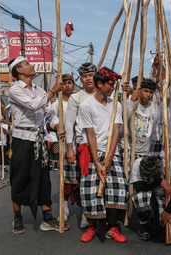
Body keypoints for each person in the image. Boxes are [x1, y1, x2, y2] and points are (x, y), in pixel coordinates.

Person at [8, 56, 68, 234]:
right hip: (22, 140)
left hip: (40, 140)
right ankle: (17, 217)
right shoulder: (15, 90)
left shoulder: (40, 90)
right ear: (19, 70)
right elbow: (33, 106)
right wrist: (51, 92)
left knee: (44, 179)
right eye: (27, 64)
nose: (31, 66)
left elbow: (49, 113)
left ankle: (47, 218)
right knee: (19, 179)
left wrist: (57, 125)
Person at [77, 67, 128, 243]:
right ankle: (92, 227)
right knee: (90, 192)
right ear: (100, 84)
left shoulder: (117, 105)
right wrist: (98, 162)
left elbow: (115, 132)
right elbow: (90, 134)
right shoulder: (86, 105)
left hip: (111, 153)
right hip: (93, 154)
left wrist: (108, 157)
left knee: (118, 189)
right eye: (110, 85)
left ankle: (113, 228)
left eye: (114, 85)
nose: (113, 88)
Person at [130, 155, 171, 242]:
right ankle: (144, 225)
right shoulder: (138, 163)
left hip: (166, 197)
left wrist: (167, 211)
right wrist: (159, 181)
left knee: (169, 231)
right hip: (149, 196)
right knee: (141, 197)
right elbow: (138, 186)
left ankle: (157, 222)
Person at [65, 63, 97, 228]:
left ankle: (104, 214)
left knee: (102, 180)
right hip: (83, 146)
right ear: (81, 79)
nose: (88, 78)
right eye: (85, 76)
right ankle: (87, 213)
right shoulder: (75, 98)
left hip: (103, 145)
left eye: (91, 75)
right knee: (85, 182)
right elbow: (69, 124)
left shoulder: (103, 94)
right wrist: (69, 147)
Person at [51, 73, 76, 221]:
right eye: (64, 82)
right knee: (64, 179)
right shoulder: (57, 104)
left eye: (70, 82)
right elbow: (49, 124)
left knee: (81, 178)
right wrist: (59, 129)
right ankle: (64, 210)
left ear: (73, 85)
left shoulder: (79, 101)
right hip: (64, 145)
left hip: (80, 144)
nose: (67, 85)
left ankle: (86, 212)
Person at [127, 78, 163, 158]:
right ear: (139, 90)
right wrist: (132, 100)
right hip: (128, 148)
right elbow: (125, 118)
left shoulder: (152, 105)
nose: (148, 95)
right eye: (145, 91)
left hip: (143, 151)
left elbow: (160, 120)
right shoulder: (130, 100)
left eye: (151, 92)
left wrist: (162, 102)